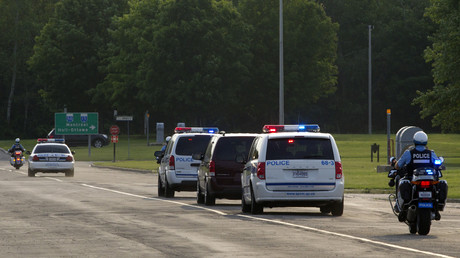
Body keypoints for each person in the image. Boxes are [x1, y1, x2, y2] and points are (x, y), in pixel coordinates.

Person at [394, 131, 446, 220]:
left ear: (414, 141)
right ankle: (438, 205)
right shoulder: (431, 153)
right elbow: (438, 162)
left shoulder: (408, 153)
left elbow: (398, 166)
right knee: (442, 182)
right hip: (429, 179)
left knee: (402, 182)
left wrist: (396, 164)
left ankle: (401, 206)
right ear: (426, 141)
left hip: (412, 179)